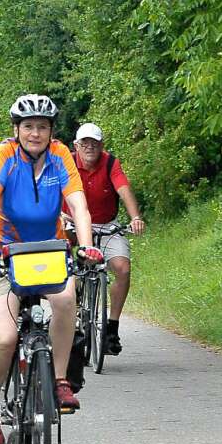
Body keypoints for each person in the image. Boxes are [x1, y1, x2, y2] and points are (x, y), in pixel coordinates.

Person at [0, 94, 102, 444]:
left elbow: (78, 205)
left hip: (49, 252)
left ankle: (58, 379)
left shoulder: (60, 157)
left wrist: (85, 244)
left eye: (42, 127)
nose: (35, 133)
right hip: (1, 256)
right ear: (17, 130)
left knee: (67, 298)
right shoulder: (5, 155)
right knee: (6, 338)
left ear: (52, 132)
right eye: (29, 126)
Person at [66, 122, 145, 354]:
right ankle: (76, 304)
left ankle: (112, 327)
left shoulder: (110, 163)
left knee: (123, 268)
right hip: (70, 222)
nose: (89, 147)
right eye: (85, 143)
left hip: (106, 224)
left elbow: (123, 189)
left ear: (102, 145)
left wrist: (135, 217)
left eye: (94, 143)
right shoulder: (66, 162)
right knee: (66, 265)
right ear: (76, 145)